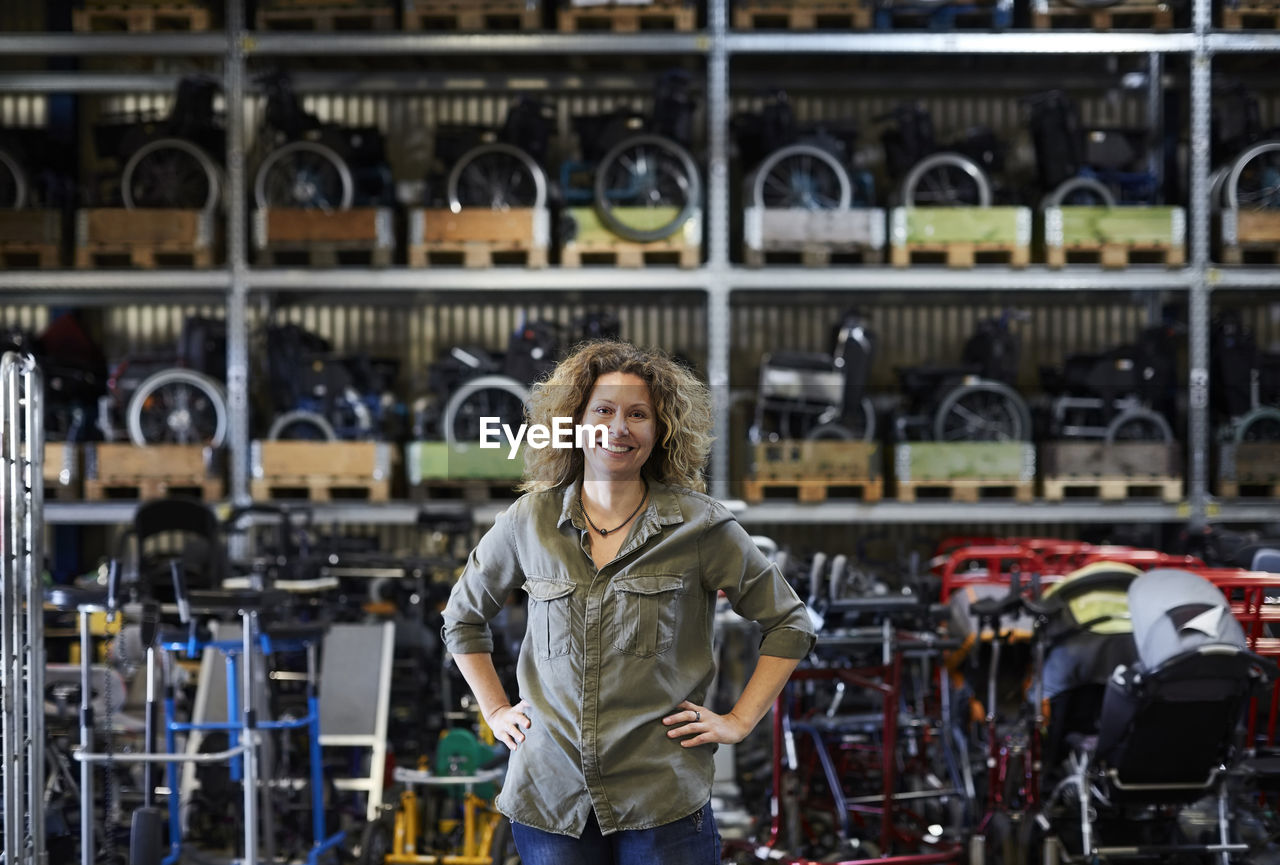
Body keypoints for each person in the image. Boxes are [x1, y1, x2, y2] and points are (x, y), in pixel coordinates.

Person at [441, 339, 816, 865]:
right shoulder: (529, 521)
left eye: (638, 414)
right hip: (552, 802)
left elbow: (790, 624)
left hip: (661, 800)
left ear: (661, 430)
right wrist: (496, 709)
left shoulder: (700, 526)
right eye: (604, 410)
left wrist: (738, 720)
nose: (619, 428)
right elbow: (461, 618)